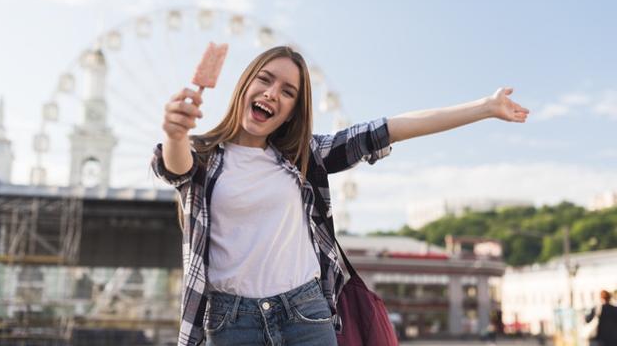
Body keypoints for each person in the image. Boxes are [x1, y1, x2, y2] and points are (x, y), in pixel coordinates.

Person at [152, 44, 530, 346]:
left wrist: (484, 107)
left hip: (305, 313)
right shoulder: (201, 155)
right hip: (230, 321)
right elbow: (176, 168)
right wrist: (174, 133)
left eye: (288, 92)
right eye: (265, 80)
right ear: (244, 85)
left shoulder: (304, 157)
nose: (272, 94)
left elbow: (389, 129)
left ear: (291, 112)